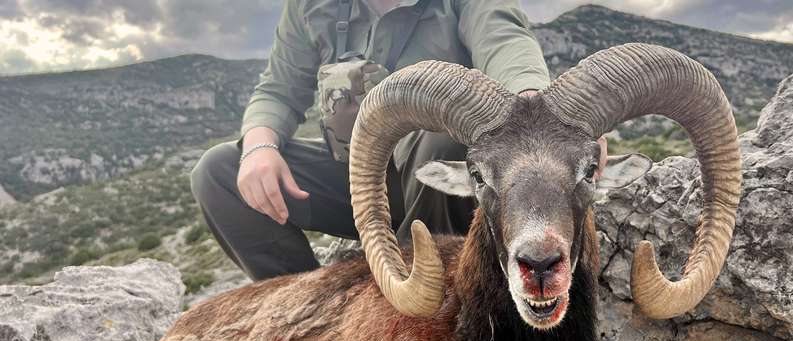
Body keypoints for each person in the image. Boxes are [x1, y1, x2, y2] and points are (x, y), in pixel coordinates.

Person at [191, 0, 554, 281]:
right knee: (218, 171)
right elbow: (279, 90)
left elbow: (506, 44)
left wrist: (540, 112)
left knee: (443, 144)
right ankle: (314, 312)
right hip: (356, 182)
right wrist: (259, 146)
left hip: (440, 188)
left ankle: (429, 293)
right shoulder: (310, 7)